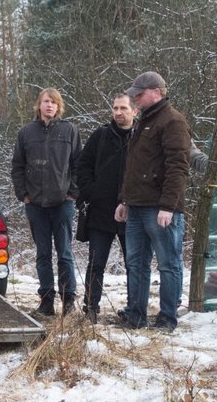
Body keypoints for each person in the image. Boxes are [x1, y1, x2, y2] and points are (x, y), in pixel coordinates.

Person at [114, 71, 191, 331]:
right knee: (135, 263)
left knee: (168, 263)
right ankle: (135, 314)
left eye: (139, 93)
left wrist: (168, 206)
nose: (135, 97)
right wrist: (124, 200)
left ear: (156, 91)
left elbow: (178, 167)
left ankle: (167, 317)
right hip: (136, 206)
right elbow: (133, 167)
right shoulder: (143, 122)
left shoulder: (172, 121)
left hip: (160, 208)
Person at [11, 88, 82, 316]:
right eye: (45, 101)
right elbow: (17, 166)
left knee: (64, 253)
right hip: (36, 204)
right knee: (43, 254)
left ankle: (69, 300)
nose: (49, 105)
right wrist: (23, 194)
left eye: (53, 102)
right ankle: (46, 301)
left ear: (58, 106)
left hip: (63, 202)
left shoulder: (69, 131)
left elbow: (79, 164)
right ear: (39, 105)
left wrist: (72, 192)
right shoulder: (26, 133)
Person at [76, 93, 136, 324]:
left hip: (132, 214)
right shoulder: (100, 136)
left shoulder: (142, 136)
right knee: (96, 263)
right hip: (100, 213)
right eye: (115, 108)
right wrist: (93, 192)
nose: (118, 112)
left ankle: (133, 310)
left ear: (134, 111)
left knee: (134, 264)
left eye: (123, 108)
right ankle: (90, 309)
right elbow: (82, 166)